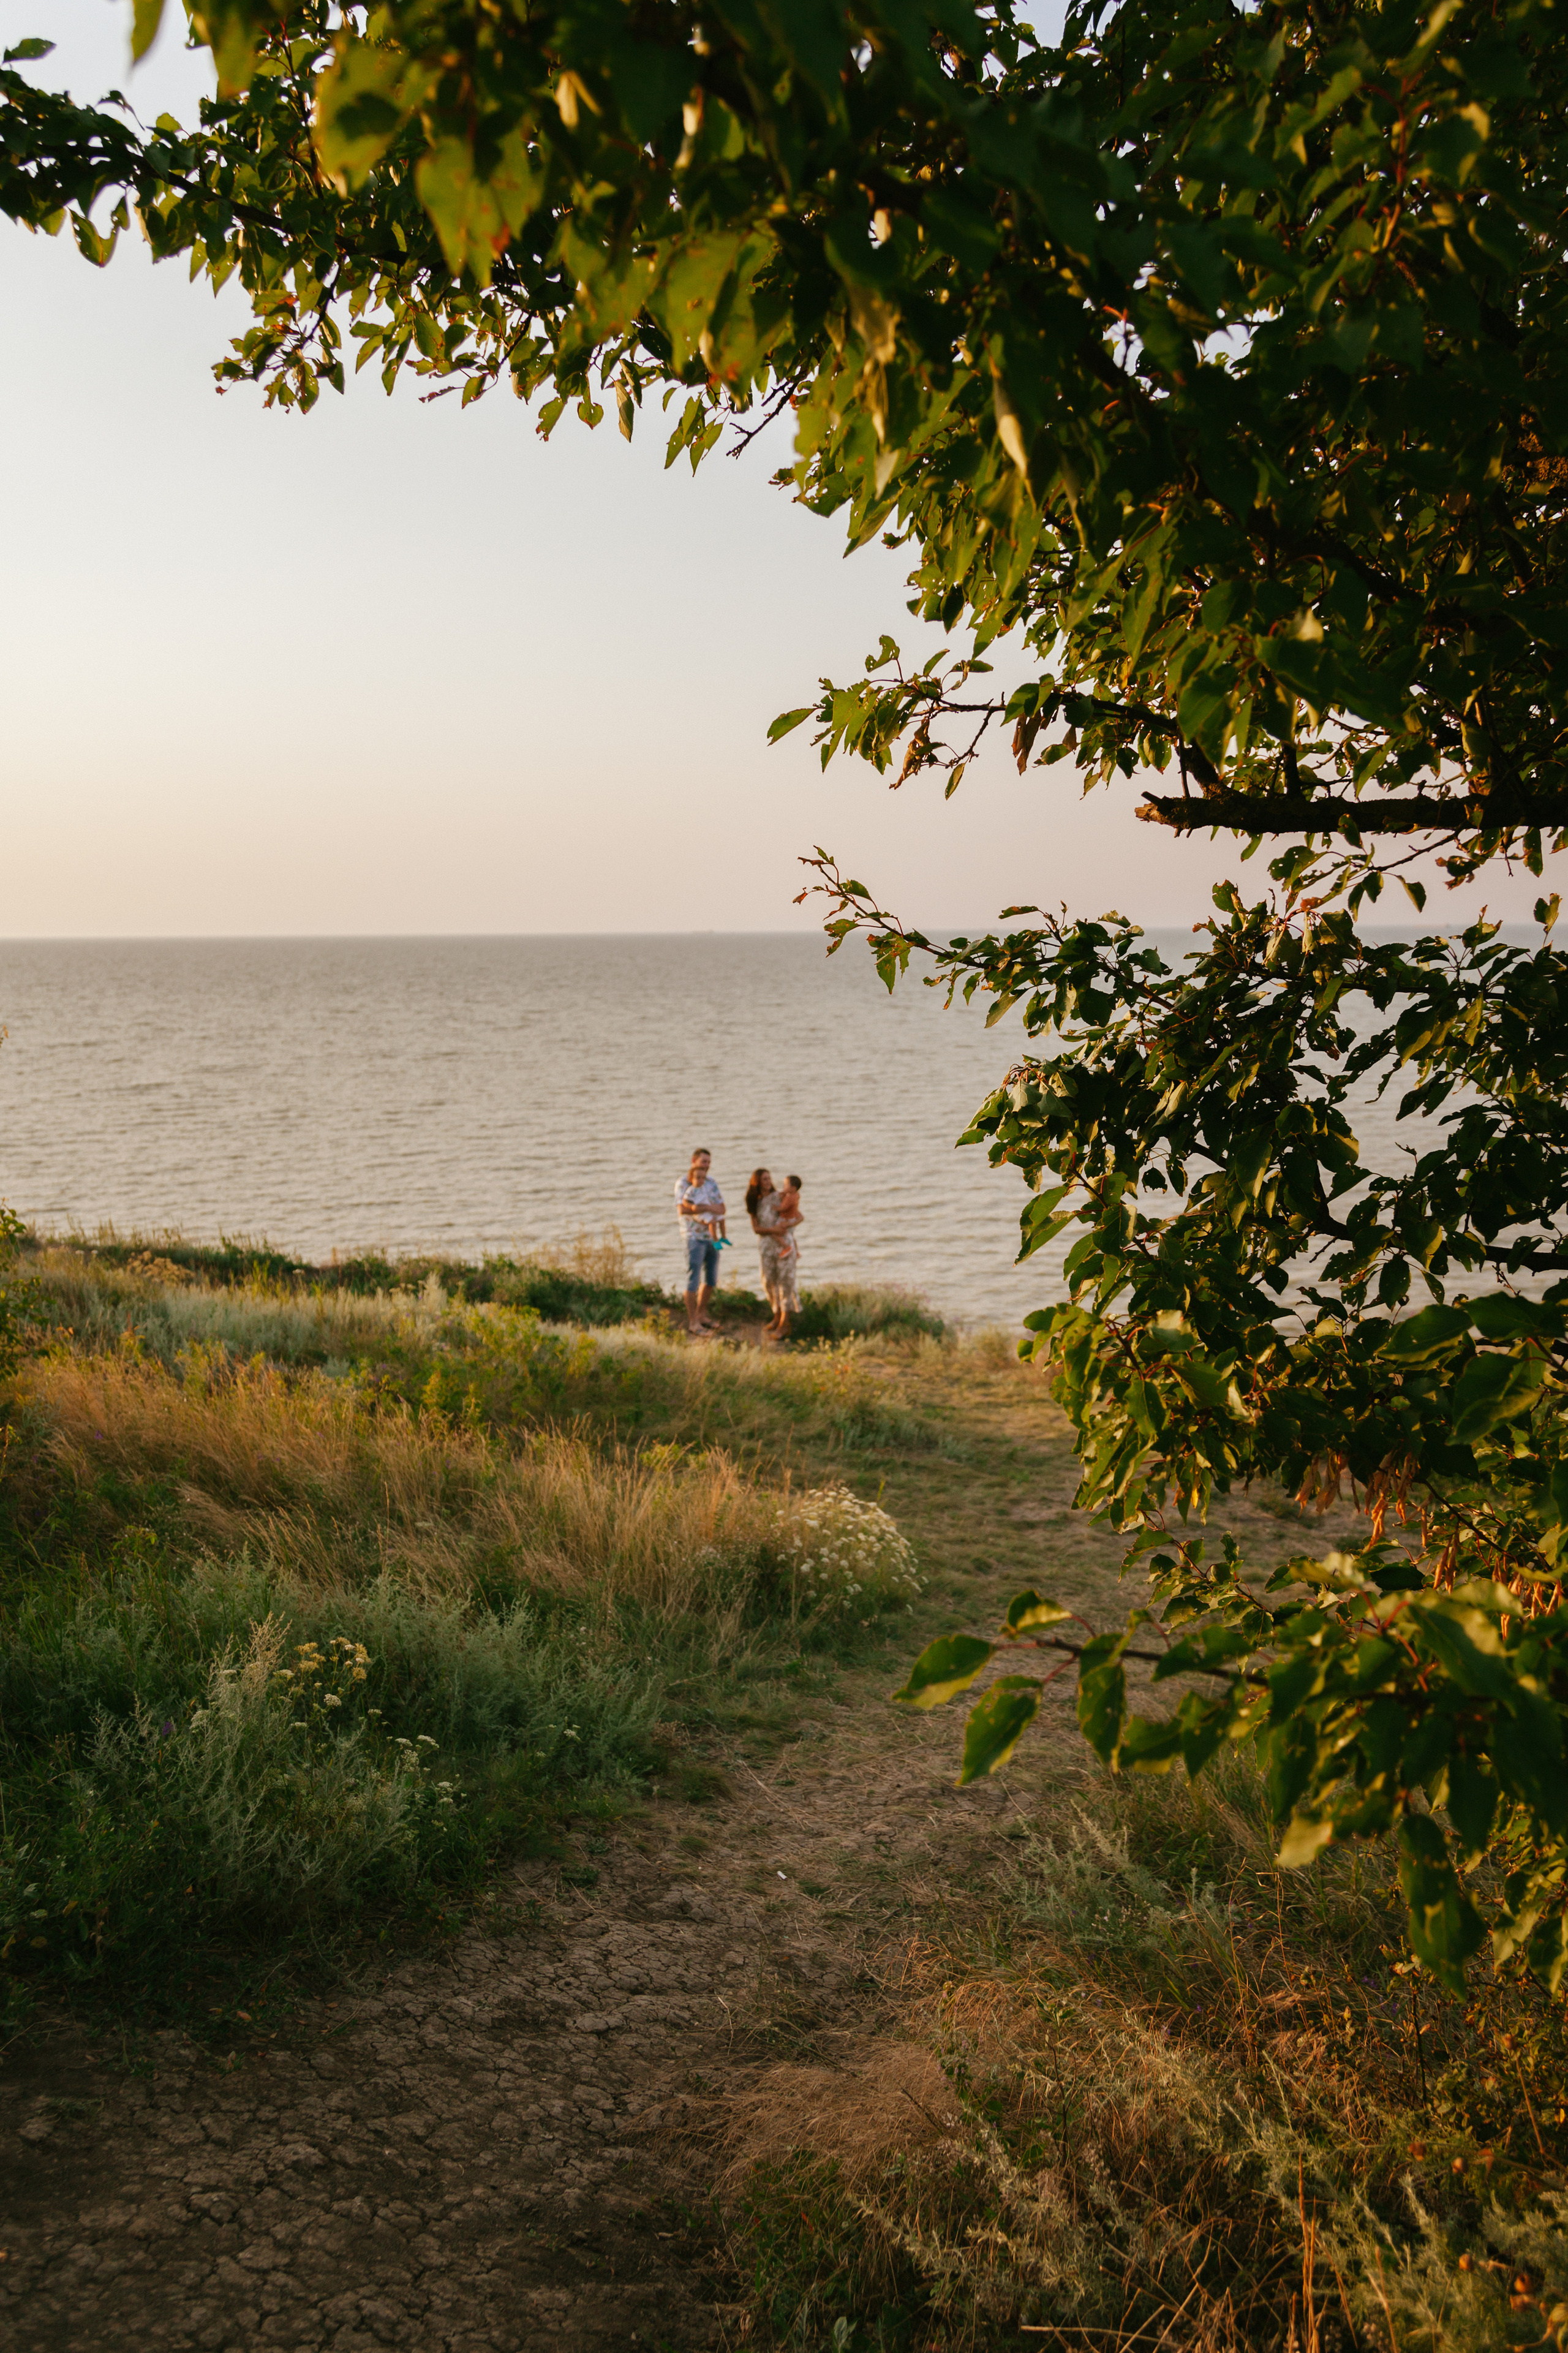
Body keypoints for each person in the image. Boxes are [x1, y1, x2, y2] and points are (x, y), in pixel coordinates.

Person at [746, 1166, 801, 1339]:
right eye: (765, 1179)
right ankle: (776, 1315)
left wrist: (785, 1227)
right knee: (769, 1282)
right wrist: (773, 1230)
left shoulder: (780, 1197)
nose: (769, 1182)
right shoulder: (755, 1203)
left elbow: (799, 1217)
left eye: (770, 1179)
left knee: (786, 1283)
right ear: (757, 1182)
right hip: (767, 1247)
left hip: (785, 1246)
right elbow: (756, 1229)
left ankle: (785, 1324)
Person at [674, 1147, 725, 1334]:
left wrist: (702, 1208)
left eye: (709, 1162)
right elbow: (683, 1209)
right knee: (693, 1280)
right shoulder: (683, 1183)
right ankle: (693, 1322)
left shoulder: (711, 1183)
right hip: (693, 1237)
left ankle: (702, 1314)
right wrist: (706, 1207)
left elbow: (722, 1209)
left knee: (711, 1279)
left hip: (712, 1238)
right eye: (704, 1162)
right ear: (693, 1161)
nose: (707, 1165)